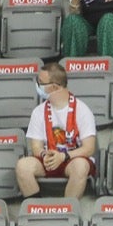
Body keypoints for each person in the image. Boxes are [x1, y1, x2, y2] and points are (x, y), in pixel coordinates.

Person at [17, 62, 99, 199]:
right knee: (23, 166)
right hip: (48, 159)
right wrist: (45, 155)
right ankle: (37, 212)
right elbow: (36, 146)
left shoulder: (82, 110)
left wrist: (63, 156)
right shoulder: (38, 111)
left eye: (41, 82)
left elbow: (89, 148)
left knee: (80, 166)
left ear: (54, 87)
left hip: (72, 160)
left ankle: (67, 211)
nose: (37, 84)